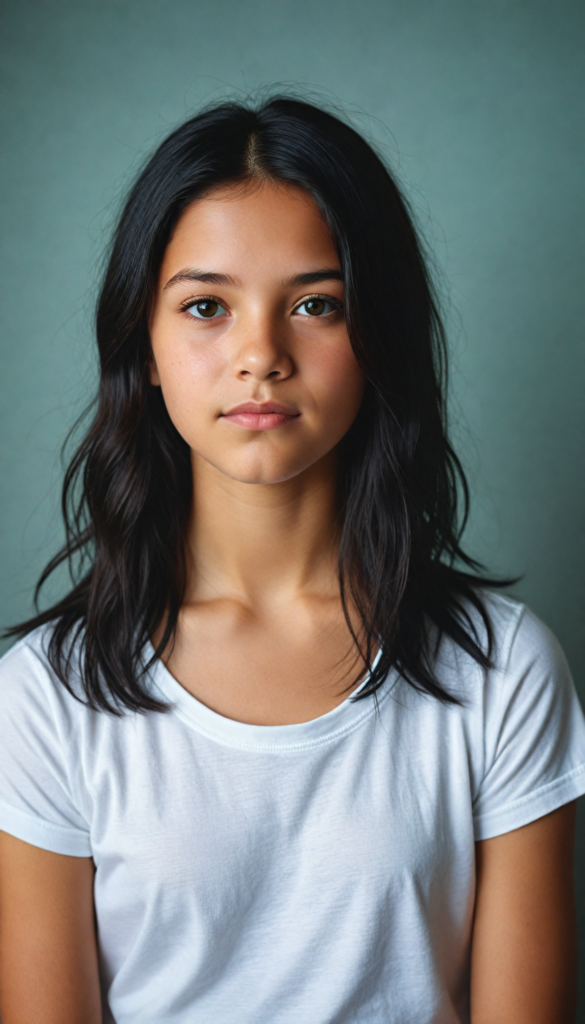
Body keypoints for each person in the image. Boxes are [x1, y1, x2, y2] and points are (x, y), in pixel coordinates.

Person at [0, 96, 584, 1024]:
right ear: (143, 345)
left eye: (315, 304)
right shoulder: (45, 696)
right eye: (205, 307)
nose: (259, 355)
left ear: (377, 334)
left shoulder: (502, 670)